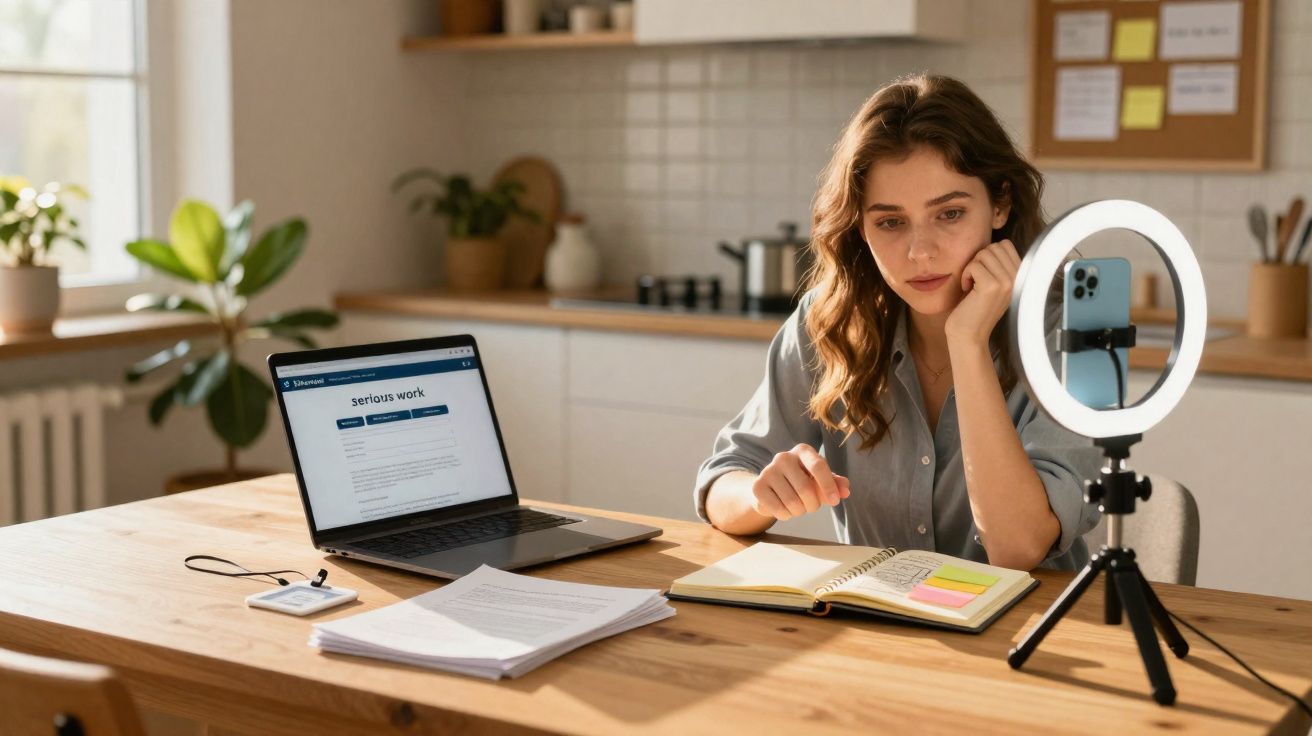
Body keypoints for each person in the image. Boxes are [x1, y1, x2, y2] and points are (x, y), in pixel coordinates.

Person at [693, 74, 1102, 571]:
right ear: (859, 227)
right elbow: (721, 483)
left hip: (1032, 634)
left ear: (1000, 204)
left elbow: (1018, 548)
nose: (920, 252)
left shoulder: (1082, 330)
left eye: (949, 213)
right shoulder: (829, 322)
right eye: (890, 222)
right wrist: (760, 496)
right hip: (877, 634)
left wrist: (968, 344)